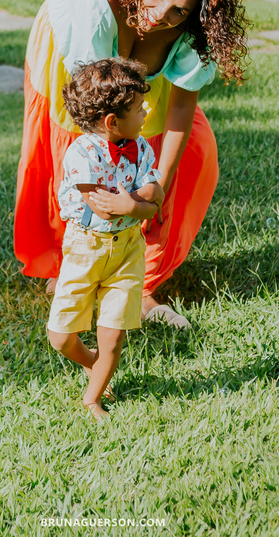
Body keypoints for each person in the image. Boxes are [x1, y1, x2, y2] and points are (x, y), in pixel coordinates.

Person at [15, 0, 249, 329]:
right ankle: (74, 265)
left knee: (195, 152)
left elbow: (180, 108)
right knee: (84, 161)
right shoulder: (98, 7)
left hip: (130, 82)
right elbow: (95, 114)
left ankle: (139, 283)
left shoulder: (195, 30)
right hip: (85, 77)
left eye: (179, 11)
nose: (160, 15)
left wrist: (158, 186)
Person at [46, 58, 164, 421]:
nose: (145, 111)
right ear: (112, 122)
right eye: (138, 108)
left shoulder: (141, 147)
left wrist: (133, 204)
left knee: (112, 336)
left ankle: (92, 399)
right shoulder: (81, 154)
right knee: (60, 337)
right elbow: (104, 209)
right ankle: (93, 363)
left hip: (127, 251)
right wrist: (138, 204)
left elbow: (156, 197)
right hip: (85, 249)